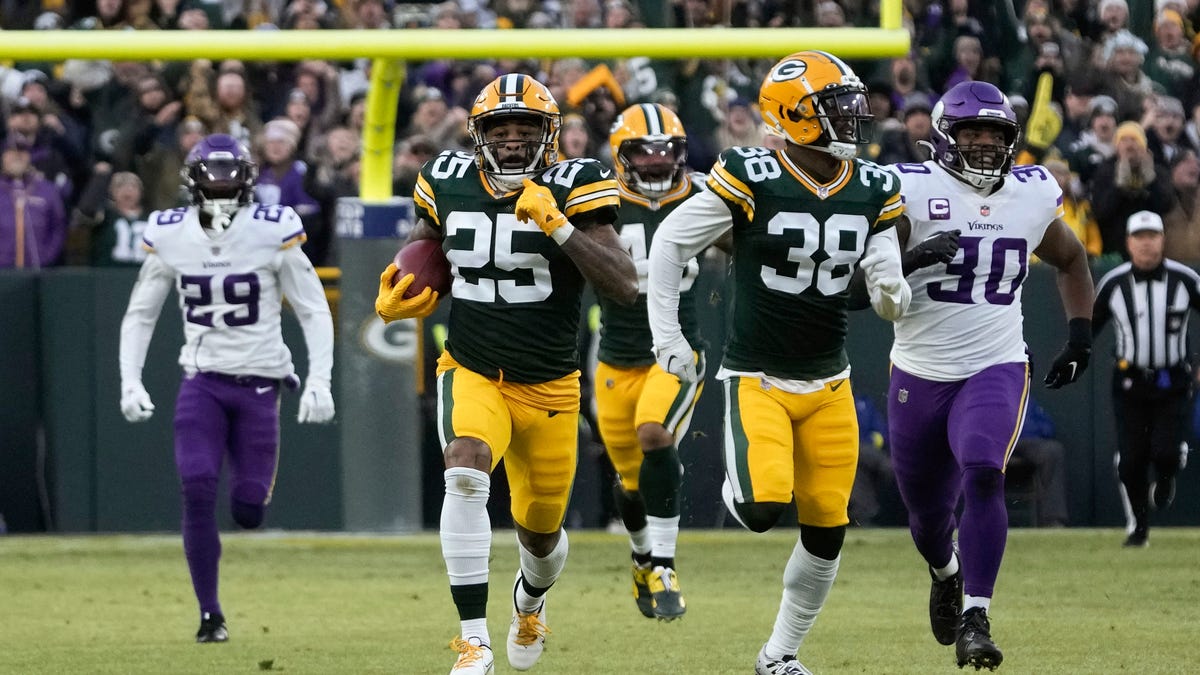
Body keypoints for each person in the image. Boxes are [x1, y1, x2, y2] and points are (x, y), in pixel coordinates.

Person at [647, 51, 912, 675]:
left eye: (851, 106)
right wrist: (668, 339)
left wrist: (889, 283)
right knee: (764, 510)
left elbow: (881, 271)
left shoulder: (874, 185)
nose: (851, 119)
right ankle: (743, 479)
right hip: (759, 377)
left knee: (827, 531)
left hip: (830, 381)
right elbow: (670, 243)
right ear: (792, 117)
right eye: (834, 109)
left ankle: (780, 655)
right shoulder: (752, 173)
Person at [373, 73, 637, 675]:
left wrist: (560, 226)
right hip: (472, 368)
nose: (513, 140)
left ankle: (530, 600)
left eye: (525, 129)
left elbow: (623, 285)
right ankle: (473, 641)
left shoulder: (580, 181)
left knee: (540, 536)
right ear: (479, 134)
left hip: (549, 385)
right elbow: (423, 246)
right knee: (464, 466)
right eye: (501, 128)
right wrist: (399, 288)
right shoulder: (446, 178)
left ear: (549, 135)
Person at [882, 81, 1094, 671]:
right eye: (972, 132)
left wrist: (1079, 334)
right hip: (919, 370)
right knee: (926, 519)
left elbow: (1072, 258)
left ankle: (976, 616)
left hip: (995, 363)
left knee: (983, 469)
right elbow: (868, 278)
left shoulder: (1031, 194)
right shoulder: (911, 189)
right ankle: (946, 573)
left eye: (994, 134)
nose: (983, 144)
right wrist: (911, 258)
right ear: (946, 137)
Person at [117, 133, 335, 644]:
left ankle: (243, 524)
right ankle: (210, 614)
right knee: (195, 487)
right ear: (192, 181)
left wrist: (319, 378)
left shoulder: (272, 228)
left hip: (261, 383)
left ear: (248, 181)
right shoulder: (170, 234)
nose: (219, 186)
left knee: (248, 509)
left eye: (228, 175)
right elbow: (141, 313)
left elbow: (311, 307)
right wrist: (130, 379)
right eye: (210, 176)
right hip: (203, 381)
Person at [595, 102, 706, 621]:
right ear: (622, 156)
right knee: (630, 482)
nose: (659, 162)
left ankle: (663, 563)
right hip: (615, 357)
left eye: (667, 152)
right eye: (646, 151)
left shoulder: (708, 195)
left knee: (654, 433)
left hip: (678, 352)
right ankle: (642, 557)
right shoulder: (597, 198)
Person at [1093, 210, 1200, 548]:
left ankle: (1168, 473)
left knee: (1166, 451)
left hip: (1173, 379)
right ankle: (1139, 526)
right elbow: (1089, 327)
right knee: (1131, 458)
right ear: (1128, 243)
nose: (1146, 244)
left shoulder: (1185, 280)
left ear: (1162, 240)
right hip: (1130, 381)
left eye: (1152, 236)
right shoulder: (1113, 282)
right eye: (1140, 237)